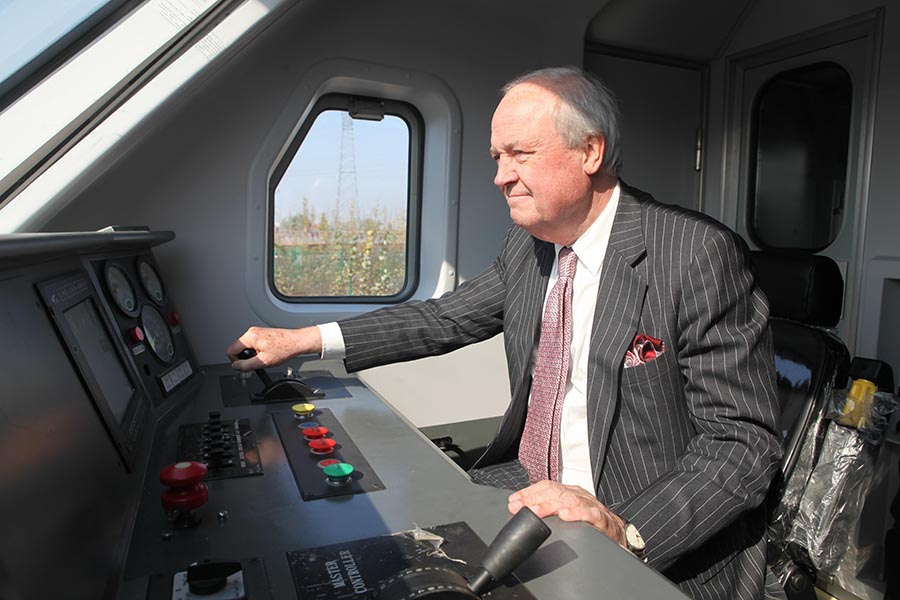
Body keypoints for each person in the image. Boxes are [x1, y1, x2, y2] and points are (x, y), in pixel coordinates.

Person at [227, 66, 784, 600]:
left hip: (641, 522)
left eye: (521, 154)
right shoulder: (530, 246)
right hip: (530, 490)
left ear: (589, 152)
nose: (500, 176)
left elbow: (743, 443)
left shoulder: (693, 254)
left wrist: (626, 529)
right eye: (497, 157)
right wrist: (303, 340)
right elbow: (443, 318)